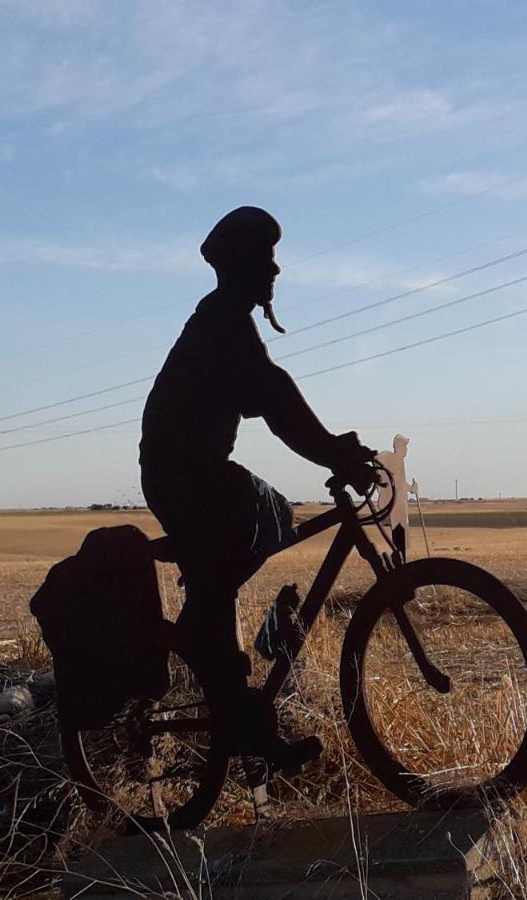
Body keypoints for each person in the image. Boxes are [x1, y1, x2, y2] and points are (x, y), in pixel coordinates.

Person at [139, 206, 375, 767]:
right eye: (265, 258)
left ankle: (232, 696)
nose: (275, 269)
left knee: (269, 514)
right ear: (240, 264)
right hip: (182, 477)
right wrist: (333, 451)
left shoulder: (230, 322)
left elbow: (277, 392)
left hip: (191, 472)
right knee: (252, 514)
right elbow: (275, 399)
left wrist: (330, 448)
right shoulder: (219, 325)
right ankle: (212, 651)